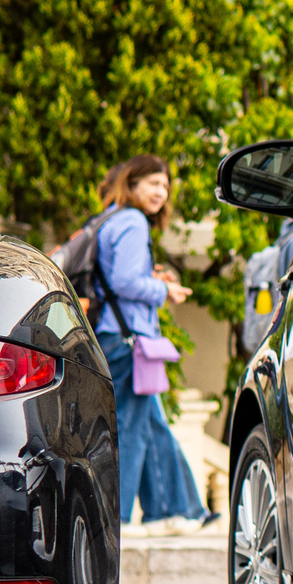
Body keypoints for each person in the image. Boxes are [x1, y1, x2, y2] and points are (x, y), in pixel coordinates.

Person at [92, 154, 215, 532]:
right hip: (129, 340)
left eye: (165, 186)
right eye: (153, 183)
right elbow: (125, 283)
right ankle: (121, 517)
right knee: (131, 426)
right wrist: (163, 289)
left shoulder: (108, 220)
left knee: (152, 422)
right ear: (132, 184)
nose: (161, 192)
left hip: (118, 336)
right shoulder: (130, 221)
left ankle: (179, 510)